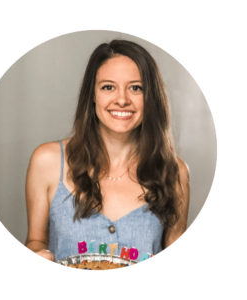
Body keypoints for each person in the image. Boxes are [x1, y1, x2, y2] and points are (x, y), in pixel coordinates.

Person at [24, 40, 190, 263]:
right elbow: (35, 241)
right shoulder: (48, 161)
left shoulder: (174, 172)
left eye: (136, 88)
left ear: (150, 96)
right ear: (92, 95)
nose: (122, 100)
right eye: (108, 87)